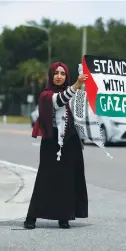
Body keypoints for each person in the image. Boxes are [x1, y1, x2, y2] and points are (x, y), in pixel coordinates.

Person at [24, 62, 88, 229]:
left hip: (71, 142)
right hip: (51, 142)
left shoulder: (74, 93)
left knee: (68, 179)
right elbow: (59, 100)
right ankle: (31, 217)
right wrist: (76, 84)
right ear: (51, 75)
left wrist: (81, 138)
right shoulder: (46, 95)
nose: (59, 76)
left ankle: (64, 216)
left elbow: (81, 113)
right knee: (45, 179)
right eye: (56, 73)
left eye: (63, 73)